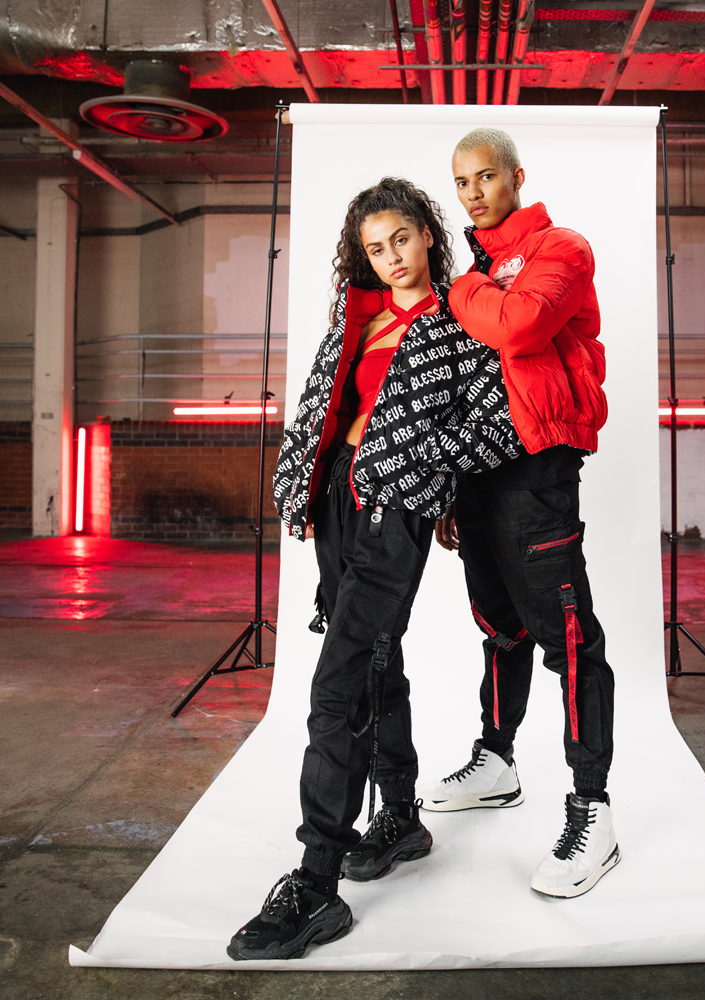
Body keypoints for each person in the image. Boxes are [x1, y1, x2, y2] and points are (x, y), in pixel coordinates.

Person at [227, 177, 521, 961]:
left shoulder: (463, 320)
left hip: (396, 509)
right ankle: (399, 816)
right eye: (375, 247)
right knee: (376, 660)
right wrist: (299, 484)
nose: (391, 257)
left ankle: (316, 882)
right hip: (336, 502)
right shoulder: (355, 320)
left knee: (339, 681)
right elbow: (316, 408)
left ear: (428, 235)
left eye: (401, 239)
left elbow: (496, 421)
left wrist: (427, 465)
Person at [417, 128, 619, 900]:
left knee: (569, 641)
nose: (473, 193)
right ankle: (497, 762)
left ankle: (593, 811)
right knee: (499, 626)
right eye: (461, 181)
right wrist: (448, 482)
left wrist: (459, 288)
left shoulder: (560, 249)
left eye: (485, 177)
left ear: (516, 177)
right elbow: (458, 373)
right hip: (477, 469)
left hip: (537, 469)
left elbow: (519, 326)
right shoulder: (478, 269)